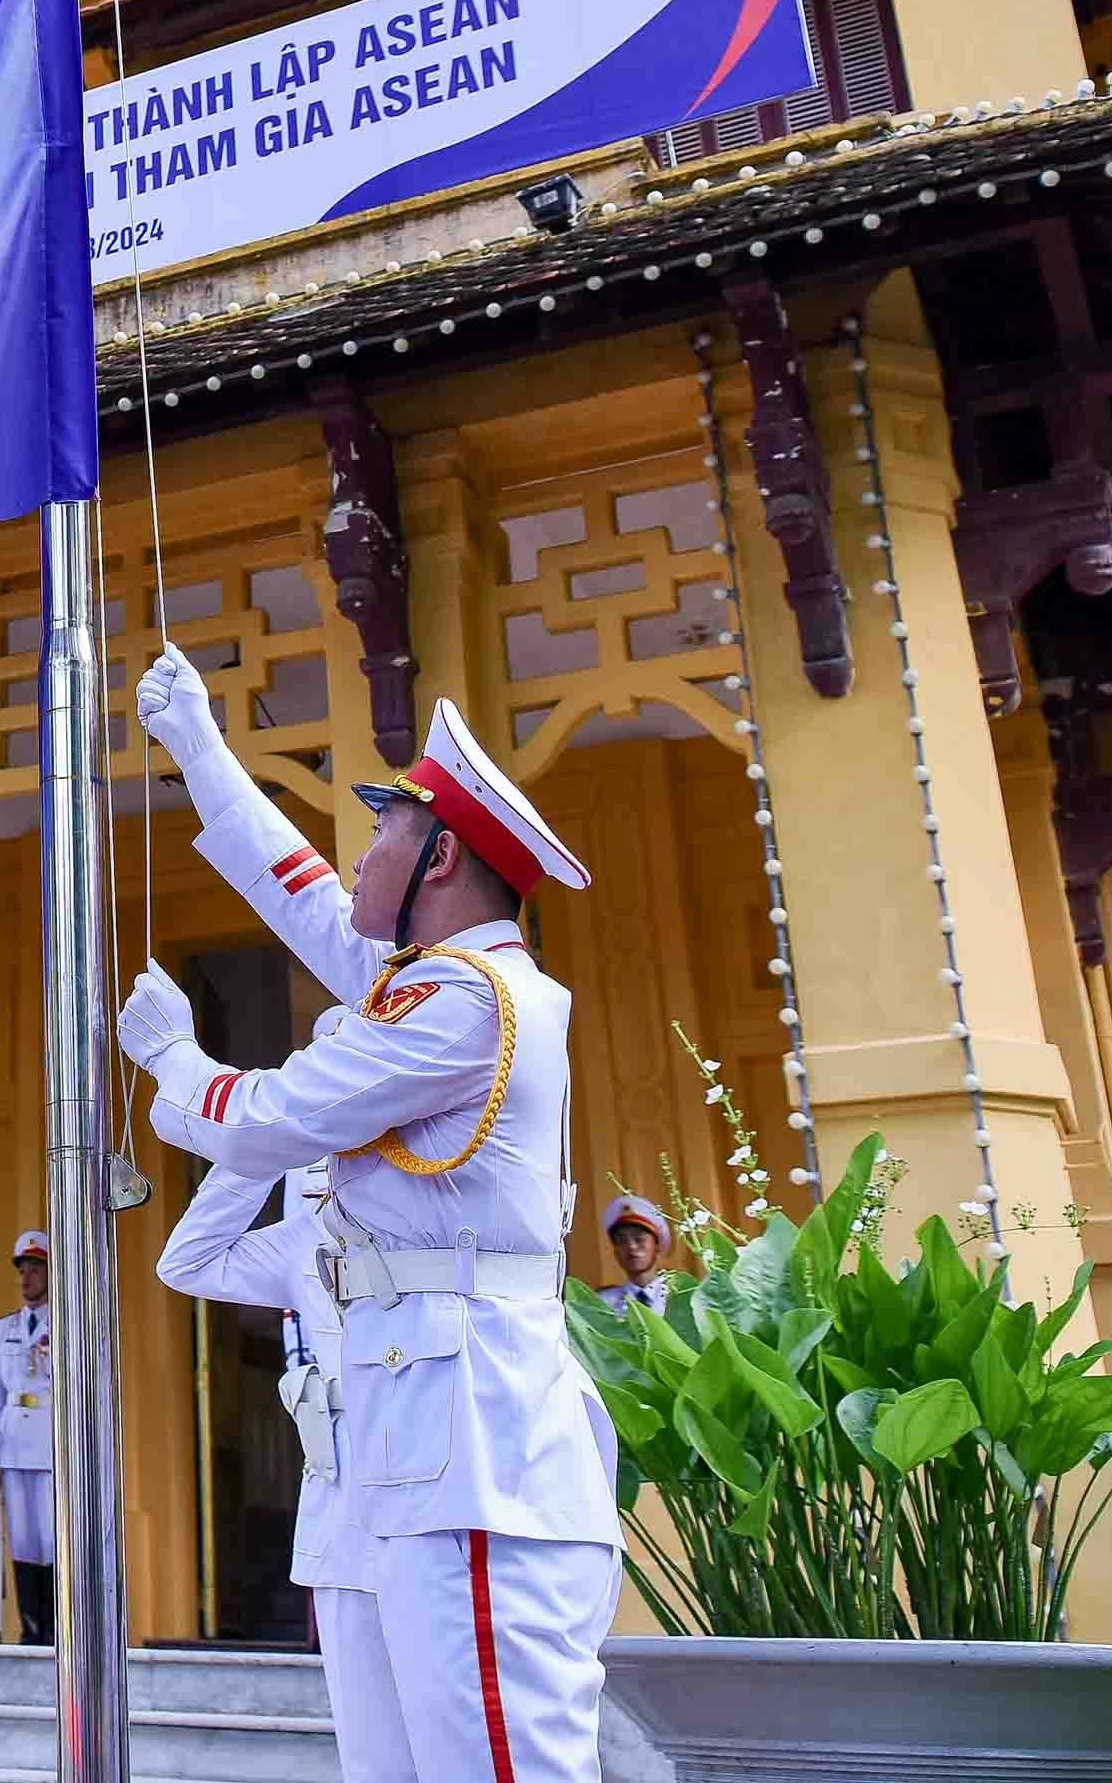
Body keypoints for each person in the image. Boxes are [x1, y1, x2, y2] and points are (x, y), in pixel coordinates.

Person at [118, 648, 619, 1783]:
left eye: (384, 830)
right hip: (409, 1440)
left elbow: (261, 1121)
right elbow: (294, 888)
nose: (359, 851)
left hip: (478, 1444)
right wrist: (197, 747)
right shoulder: (430, 982)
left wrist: (174, 1060)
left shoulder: (469, 1002)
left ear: (439, 857)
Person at [160, 1157, 390, 1736]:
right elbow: (187, 1261)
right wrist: (261, 1146)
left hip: (440, 1508)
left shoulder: (435, 1206)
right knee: (369, 1743)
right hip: (341, 1501)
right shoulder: (304, 1238)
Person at [0, 1229, 58, 1644]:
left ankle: (55, 1628)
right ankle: (31, 1628)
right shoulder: (4, 1328)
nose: (27, 1278)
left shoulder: (68, 1325)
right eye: (23, 1270)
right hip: (12, 1440)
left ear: (50, 1273)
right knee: (24, 1540)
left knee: (50, 1539)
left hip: (48, 1441)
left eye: (35, 1269)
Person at [595, 1192, 675, 1315]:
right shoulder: (604, 1303)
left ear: (657, 1245)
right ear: (615, 1251)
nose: (631, 1247)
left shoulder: (678, 1295)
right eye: (621, 1241)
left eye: (639, 1239)